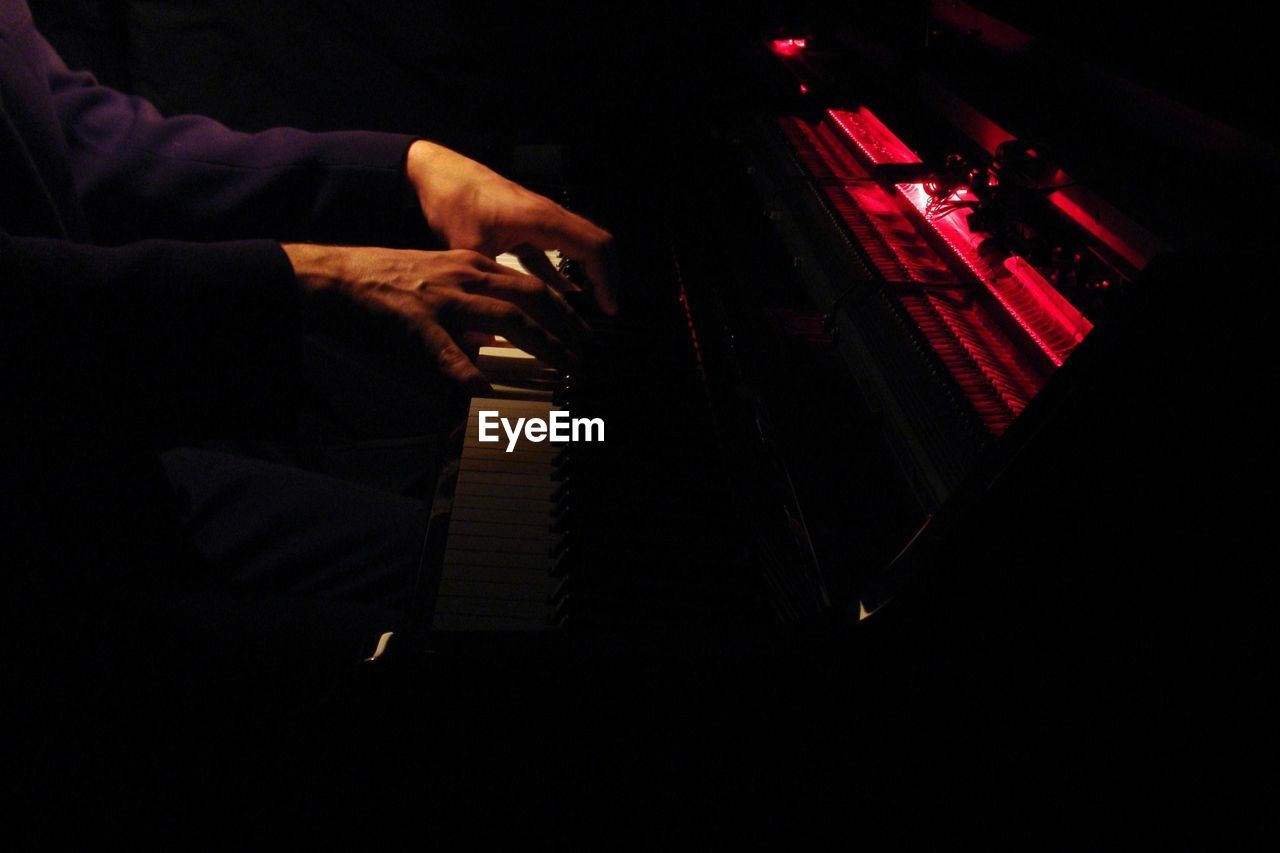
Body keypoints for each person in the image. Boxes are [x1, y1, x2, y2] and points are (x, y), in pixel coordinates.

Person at [0, 0, 615, 710]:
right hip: (39, 535)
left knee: (519, 571)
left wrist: (409, 170)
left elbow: (88, 139)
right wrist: (312, 277)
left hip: (105, 478)